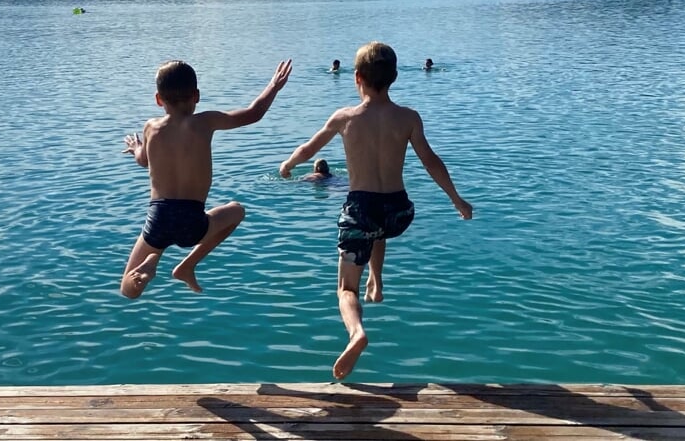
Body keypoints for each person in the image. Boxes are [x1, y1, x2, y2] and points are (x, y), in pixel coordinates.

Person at [279, 42, 472, 379]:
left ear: (357, 78)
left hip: (361, 208)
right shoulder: (409, 117)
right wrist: (456, 199)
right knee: (377, 229)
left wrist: (288, 165)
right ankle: (377, 280)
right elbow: (430, 161)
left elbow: (309, 148)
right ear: (394, 77)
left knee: (345, 288)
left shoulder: (345, 117)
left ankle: (357, 333)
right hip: (398, 211)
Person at [120, 59, 293, 299]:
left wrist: (137, 147)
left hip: (158, 218)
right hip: (193, 222)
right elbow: (254, 113)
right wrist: (273, 85)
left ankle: (148, 268)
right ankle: (188, 265)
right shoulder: (205, 122)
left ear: (158, 99)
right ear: (197, 96)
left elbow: (143, 160)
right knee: (237, 211)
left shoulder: (151, 128)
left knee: (128, 290)